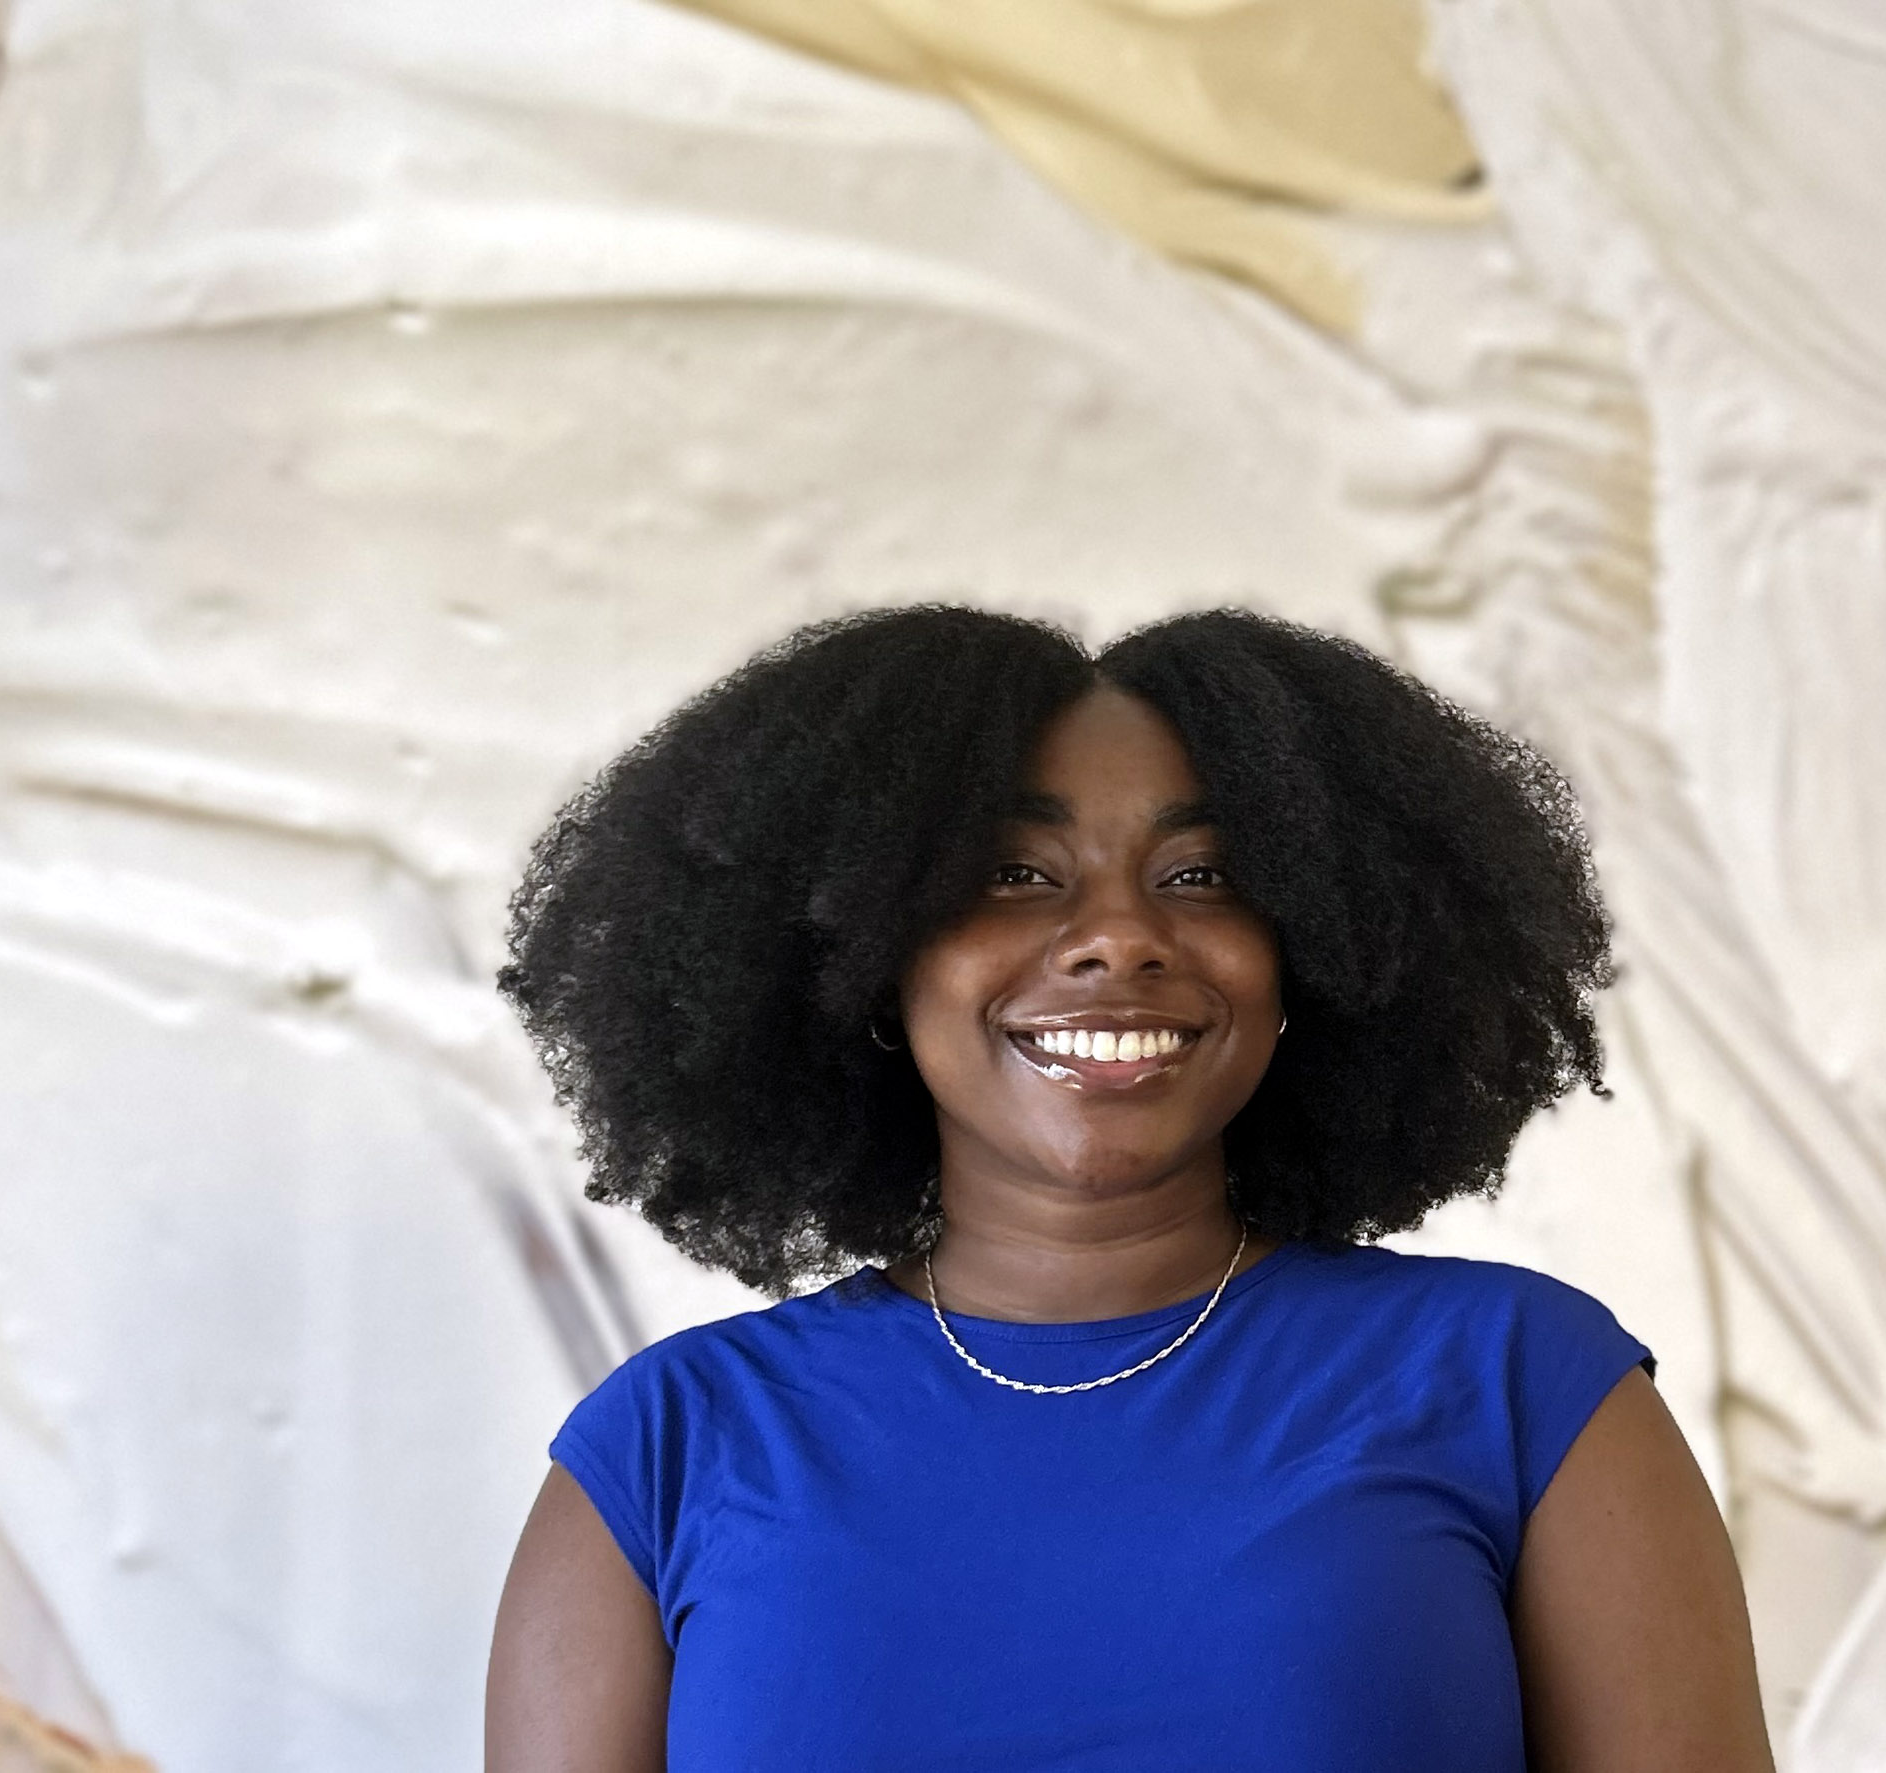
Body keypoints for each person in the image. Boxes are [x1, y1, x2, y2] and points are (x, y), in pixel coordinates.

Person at [483, 605, 1772, 1772]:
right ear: (867, 950)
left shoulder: (1525, 1390)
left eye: (1200, 877)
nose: (1119, 936)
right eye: (1017, 875)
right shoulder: (666, 1452)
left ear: (1316, 948)